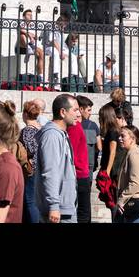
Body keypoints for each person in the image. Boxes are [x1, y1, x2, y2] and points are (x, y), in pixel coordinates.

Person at [35, 94, 79, 223]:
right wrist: (54, 206)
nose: (78, 114)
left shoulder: (60, 134)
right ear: (63, 112)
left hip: (64, 208)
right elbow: (51, 172)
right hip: (58, 210)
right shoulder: (52, 136)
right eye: (75, 110)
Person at [114, 126, 139, 223]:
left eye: (123, 136)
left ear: (133, 138)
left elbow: (135, 182)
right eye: (119, 136)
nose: (119, 139)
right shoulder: (130, 153)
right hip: (129, 206)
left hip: (133, 206)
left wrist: (121, 199)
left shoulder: (134, 155)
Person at [19, 99, 45, 224]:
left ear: (25, 114)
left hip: (31, 168)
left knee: (30, 200)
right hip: (41, 167)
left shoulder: (27, 130)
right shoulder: (41, 128)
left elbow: (31, 149)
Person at [68, 95, 91, 223]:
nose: (78, 113)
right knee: (83, 212)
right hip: (79, 174)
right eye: (76, 110)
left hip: (81, 173)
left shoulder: (75, 126)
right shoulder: (75, 127)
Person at [18, 9, 44, 83]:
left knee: (41, 53)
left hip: (32, 44)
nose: (30, 16)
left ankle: (40, 75)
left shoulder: (33, 25)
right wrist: (29, 34)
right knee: (22, 35)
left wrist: (32, 36)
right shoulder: (21, 23)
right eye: (28, 15)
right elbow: (21, 30)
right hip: (22, 46)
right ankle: (28, 49)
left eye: (31, 15)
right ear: (24, 16)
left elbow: (36, 36)